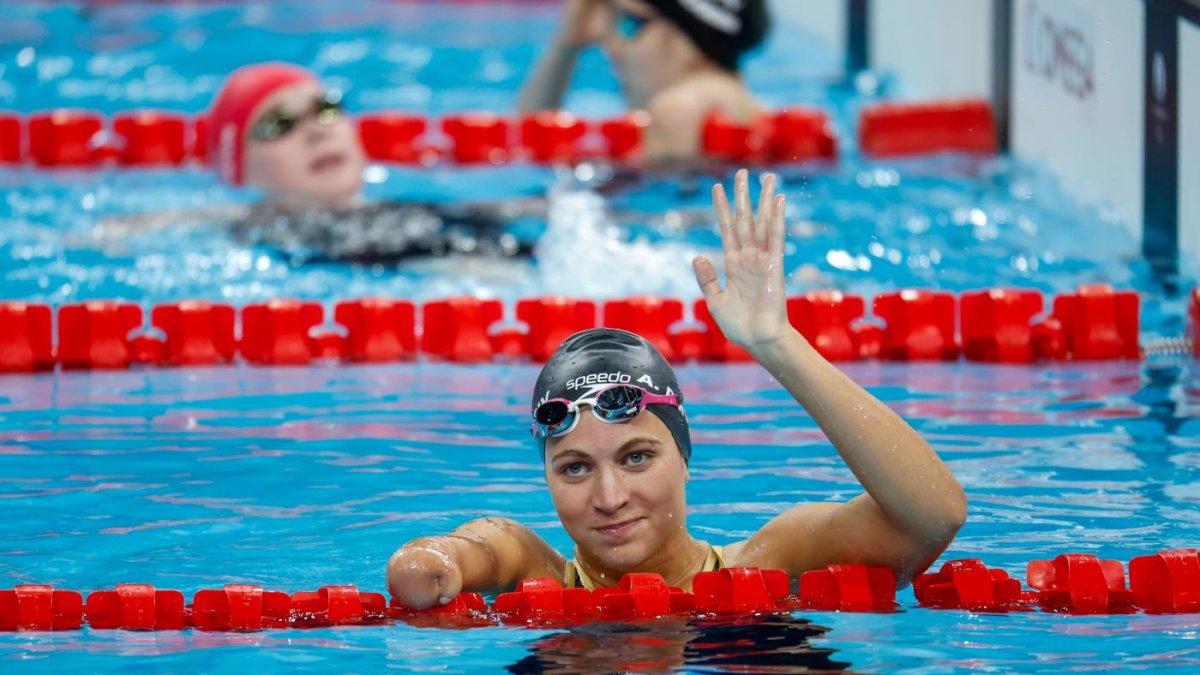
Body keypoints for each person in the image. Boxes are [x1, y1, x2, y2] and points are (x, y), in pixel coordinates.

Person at [386, 169, 967, 606]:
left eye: (637, 457)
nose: (609, 497)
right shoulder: (538, 572)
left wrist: (777, 345)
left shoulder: (774, 562)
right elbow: (469, 551)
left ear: (685, 458)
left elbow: (932, 517)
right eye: (574, 468)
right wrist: (429, 562)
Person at [517, 0, 771, 162]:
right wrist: (567, 43)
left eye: (629, 23)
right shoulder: (725, 97)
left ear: (686, 40)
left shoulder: (679, 107)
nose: (611, 46)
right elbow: (524, 140)